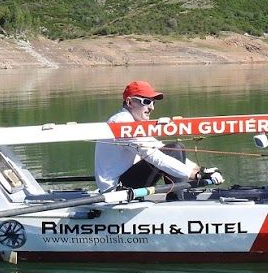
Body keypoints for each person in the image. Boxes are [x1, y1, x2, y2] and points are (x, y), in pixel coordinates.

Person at [95, 81, 224, 191]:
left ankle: (178, 195)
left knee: (175, 147)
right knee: (175, 148)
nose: (152, 108)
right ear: (129, 103)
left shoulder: (133, 123)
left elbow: (160, 148)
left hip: (125, 180)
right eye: (146, 101)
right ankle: (177, 200)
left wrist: (201, 170)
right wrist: (195, 175)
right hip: (115, 189)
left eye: (153, 103)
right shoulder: (122, 123)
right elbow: (156, 157)